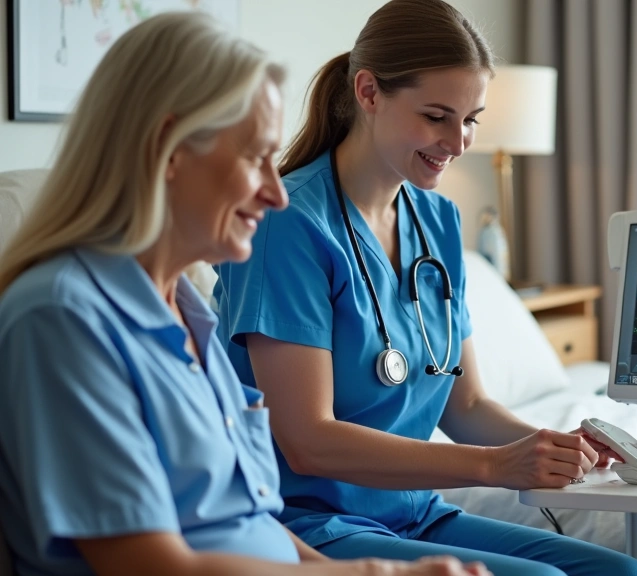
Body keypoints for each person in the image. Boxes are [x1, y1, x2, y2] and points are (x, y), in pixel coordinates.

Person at [0, 12, 488, 576]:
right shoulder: (62, 320)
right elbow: (148, 565)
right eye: (255, 157)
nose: (276, 193)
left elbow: (253, 519)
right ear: (170, 148)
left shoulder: (186, 311)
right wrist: (372, 573)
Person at [213, 2, 637, 575]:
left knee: (629, 573)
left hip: (413, 513)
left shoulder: (438, 220)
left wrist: (552, 445)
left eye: (471, 118)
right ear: (368, 92)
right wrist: (495, 467)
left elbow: (466, 404)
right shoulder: (289, 224)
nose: (459, 141)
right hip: (309, 524)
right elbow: (307, 441)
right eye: (436, 116)